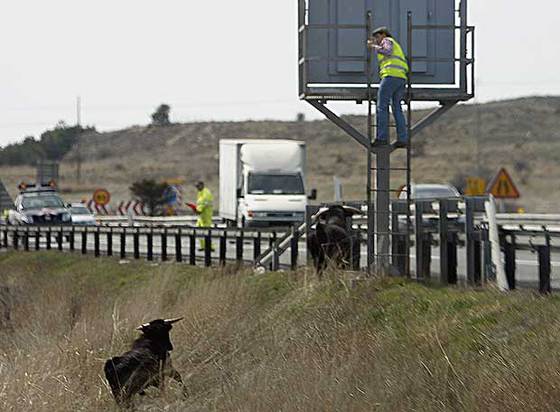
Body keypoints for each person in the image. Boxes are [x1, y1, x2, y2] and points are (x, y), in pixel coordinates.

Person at [367, 26, 409, 147]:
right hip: (400, 78)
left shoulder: (388, 41)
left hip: (391, 77)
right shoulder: (396, 45)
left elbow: (387, 51)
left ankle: (382, 138)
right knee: (396, 108)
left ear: (383, 34)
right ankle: (402, 139)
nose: (377, 40)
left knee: (382, 106)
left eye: (377, 37)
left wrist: (373, 47)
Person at [188, 181, 214, 251]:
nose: (197, 188)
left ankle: (210, 247)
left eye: (198, 186)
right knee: (199, 232)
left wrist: (196, 209)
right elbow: (200, 204)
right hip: (201, 216)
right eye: (196, 186)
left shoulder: (206, 194)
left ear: (202, 185)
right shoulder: (200, 193)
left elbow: (203, 205)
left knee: (206, 232)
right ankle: (203, 246)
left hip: (206, 216)